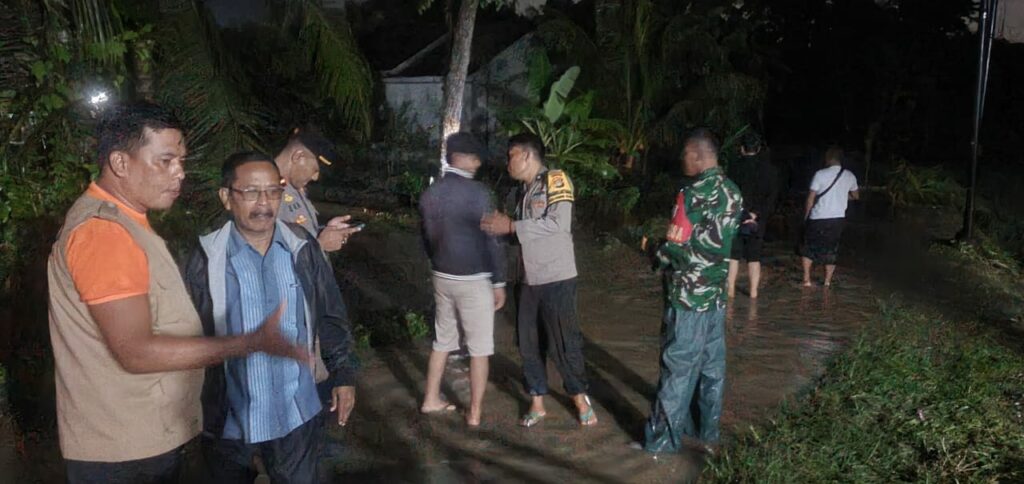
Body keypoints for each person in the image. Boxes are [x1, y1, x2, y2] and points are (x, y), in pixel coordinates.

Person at [47, 103, 305, 484]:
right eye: (165, 161)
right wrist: (249, 343)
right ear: (120, 162)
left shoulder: (128, 223)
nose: (180, 173)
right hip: (125, 455)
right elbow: (136, 351)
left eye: (181, 161)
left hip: (142, 440)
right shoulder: (104, 234)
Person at [183, 152, 358, 483]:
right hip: (230, 423)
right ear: (226, 197)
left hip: (296, 414)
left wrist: (343, 374)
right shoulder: (204, 260)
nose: (264, 203)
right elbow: (186, 337)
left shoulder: (302, 248)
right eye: (251, 192)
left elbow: (330, 313)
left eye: (273, 191)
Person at [480, 132, 596, 428]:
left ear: (527, 155)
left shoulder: (555, 180)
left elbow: (559, 223)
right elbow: (521, 234)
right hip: (526, 279)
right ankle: (537, 400)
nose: (508, 162)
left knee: (564, 342)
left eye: (511, 155)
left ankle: (579, 397)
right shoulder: (521, 192)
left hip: (556, 277)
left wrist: (512, 226)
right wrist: (499, 231)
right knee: (528, 342)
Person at [643, 128, 743, 454]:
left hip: (688, 297)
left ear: (698, 156)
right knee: (712, 368)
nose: (682, 158)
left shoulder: (691, 194)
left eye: (686, 153)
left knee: (677, 369)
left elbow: (674, 249)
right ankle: (706, 434)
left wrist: (652, 251)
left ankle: (660, 447)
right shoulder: (733, 192)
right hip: (716, 295)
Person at [418, 133, 506, 427]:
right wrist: (499, 282)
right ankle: (474, 413)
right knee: (479, 349)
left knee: (442, 341)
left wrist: (437, 263)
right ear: (467, 159)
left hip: (441, 275)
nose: (478, 163)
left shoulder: (430, 193)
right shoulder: (479, 194)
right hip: (473, 279)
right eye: (476, 158)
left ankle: (430, 399)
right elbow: (492, 240)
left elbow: (425, 238)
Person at [275, 127, 361, 251]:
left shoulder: (293, 188)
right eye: (315, 170)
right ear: (298, 156)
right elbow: (267, 252)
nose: (315, 178)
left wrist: (324, 232)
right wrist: (321, 245)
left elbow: (296, 235)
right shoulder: (264, 190)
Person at [725, 130, 778, 299]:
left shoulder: (734, 167)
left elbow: (727, 192)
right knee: (754, 257)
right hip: (757, 219)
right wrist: (756, 214)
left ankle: (730, 291)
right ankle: (753, 293)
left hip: (736, 216)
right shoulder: (769, 170)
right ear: (759, 148)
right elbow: (772, 197)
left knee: (733, 256)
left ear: (742, 148)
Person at [800, 146, 859, 287]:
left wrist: (806, 216)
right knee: (831, 249)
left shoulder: (820, 174)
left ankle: (807, 279)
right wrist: (842, 196)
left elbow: (810, 199)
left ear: (828, 159)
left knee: (808, 248)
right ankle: (827, 282)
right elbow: (856, 196)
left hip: (818, 217)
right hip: (837, 218)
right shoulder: (850, 176)